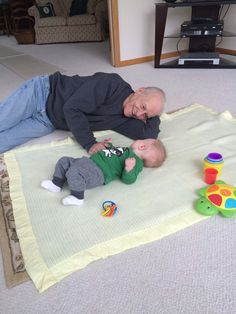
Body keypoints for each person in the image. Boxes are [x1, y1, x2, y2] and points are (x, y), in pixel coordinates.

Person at [0, 72, 166, 154]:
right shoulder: (111, 83)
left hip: (48, 121)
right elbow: (72, 108)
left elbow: (148, 135)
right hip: (42, 93)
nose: (139, 115)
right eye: (143, 106)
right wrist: (90, 143)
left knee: (4, 143)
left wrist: (154, 113)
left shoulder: (127, 118)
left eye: (145, 116)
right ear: (140, 90)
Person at [41, 138, 166, 206]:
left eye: (142, 140)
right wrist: (109, 146)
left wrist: (129, 168)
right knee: (64, 161)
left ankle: (77, 197)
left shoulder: (136, 163)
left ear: (142, 146)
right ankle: (56, 184)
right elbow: (113, 155)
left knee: (74, 172)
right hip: (89, 162)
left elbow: (130, 179)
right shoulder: (126, 150)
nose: (139, 139)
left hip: (99, 172)